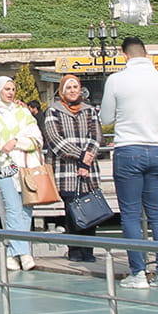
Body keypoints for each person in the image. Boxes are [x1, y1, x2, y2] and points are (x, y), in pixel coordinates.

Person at [100, 36, 158, 288]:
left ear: (125, 55)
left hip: (128, 149)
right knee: (157, 214)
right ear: (146, 53)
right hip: (157, 149)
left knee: (131, 214)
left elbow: (106, 117)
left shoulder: (117, 80)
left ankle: (138, 273)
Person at [0, 74, 44, 271]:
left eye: (12, 89)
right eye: (7, 89)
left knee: (26, 210)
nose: (10, 93)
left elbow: (37, 139)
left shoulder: (23, 113)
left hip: (25, 166)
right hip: (5, 166)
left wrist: (17, 143)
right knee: (12, 208)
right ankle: (23, 253)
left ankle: (12, 252)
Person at [45, 74, 103, 262]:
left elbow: (96, 136)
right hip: (66, 169)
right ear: (62, 91)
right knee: (72, 210)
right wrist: (79, 155)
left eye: (75, 87)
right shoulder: (54, 111)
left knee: (91, 209)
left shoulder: (89, 111)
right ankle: (75, 250)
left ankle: (89, 250)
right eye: (68, 88)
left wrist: (87, 159)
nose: (72, 91)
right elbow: (55, 139)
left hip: (88, 169)